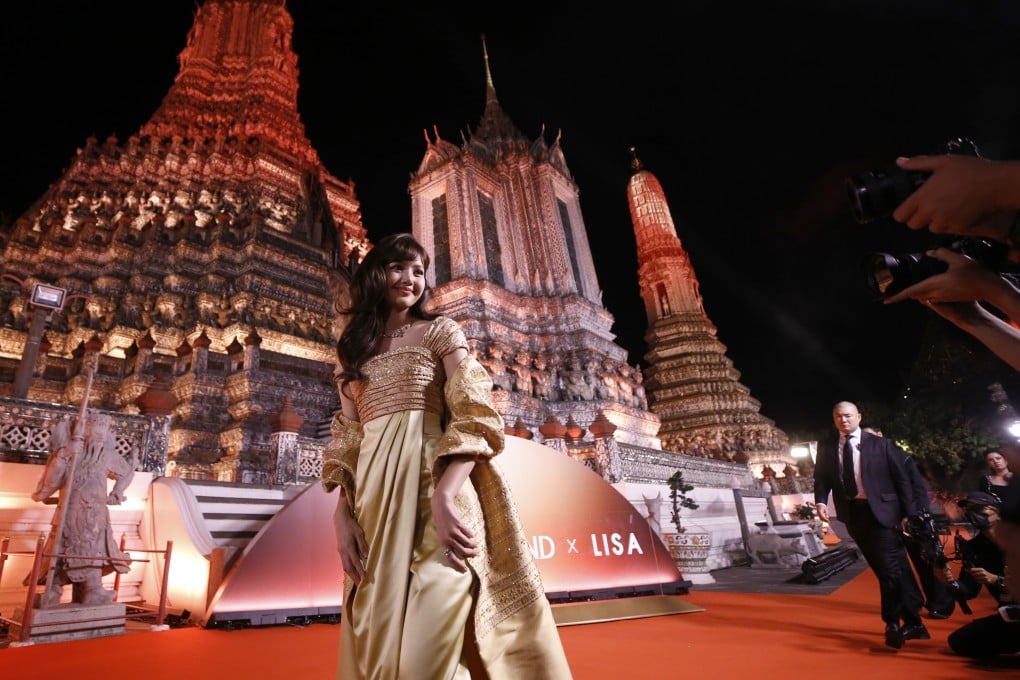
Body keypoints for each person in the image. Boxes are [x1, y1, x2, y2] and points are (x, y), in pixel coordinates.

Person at [320, 233, 572, 679]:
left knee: (427, 654)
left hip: (440, 499)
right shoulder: (351, 350)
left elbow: (475, 412)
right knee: (377, 649)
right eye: (399, 267)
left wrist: (446, 496)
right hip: (373, 510)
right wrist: (341, 513)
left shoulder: (440, 332)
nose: (410, 279)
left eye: (419, 271)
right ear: (376, 273)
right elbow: (349, 437)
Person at [814, 402, 928, 649]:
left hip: (884, 513)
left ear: (858, 417)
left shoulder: (881, 444)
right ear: (833, 419)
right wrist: (821, 501)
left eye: (847, 415)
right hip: (853, 514)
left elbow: (902, 480)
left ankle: (892, 624)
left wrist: (910, 513)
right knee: (887, 569)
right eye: (838, 416)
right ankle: (914, 622)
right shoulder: (826, 446)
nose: (843, 420)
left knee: (888, 571)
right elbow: (821, 478)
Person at [26, 413, 135, 607]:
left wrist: (117, 491)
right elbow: (52, 481)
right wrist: (63, 455)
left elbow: (126, 473)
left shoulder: (107, 455)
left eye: (103, 433)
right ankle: (52, 592)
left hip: (95, 516)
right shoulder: (70, 452)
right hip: (69, 512)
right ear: (84, 431)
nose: (99, 437)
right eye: (95, 431)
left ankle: (93, 591)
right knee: (60, 550)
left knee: (93, 551)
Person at [863, 422, 956, 619]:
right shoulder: (864, 463)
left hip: (914, 518)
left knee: (926, 560)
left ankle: (941, 603)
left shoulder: (899, 456)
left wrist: (919, 515)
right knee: (899, 565)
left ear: (880, 435)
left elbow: (918, 488)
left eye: (870, 436)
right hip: (887, 520)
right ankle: (911, 602)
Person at [946, 490, 1020, 659]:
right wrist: (949, 581)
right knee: (960, 641)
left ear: (999, 514)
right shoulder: (974, 548)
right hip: (1011, 616)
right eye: (969, 509)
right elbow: (968, 591)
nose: (974, 514)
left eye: (979, 509)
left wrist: (996, 580)